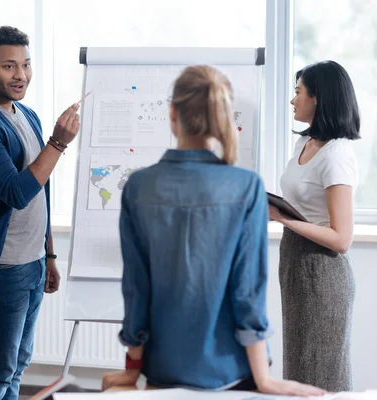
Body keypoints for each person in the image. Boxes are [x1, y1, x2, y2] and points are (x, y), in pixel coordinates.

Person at [101, 65, 326, 397]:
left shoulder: (138, 186)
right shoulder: (246, 186)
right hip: (233, 370)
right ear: (223, 116)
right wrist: (264, 378)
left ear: (173, 112)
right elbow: (247, 291)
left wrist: (132, 369)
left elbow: (136, 287)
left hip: (164, 367)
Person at [0, 26, 80, 400]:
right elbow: (17, 193)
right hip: (0, 265)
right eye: (9, 66)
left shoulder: (26, 114)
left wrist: (49, 253)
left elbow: (42, 190)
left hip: (32, 259)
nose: (21, 75)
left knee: (17, 363)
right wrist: (58, 143)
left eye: (25, 65)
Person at [269, 60, 360, 391]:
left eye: (298, 92)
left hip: (323, 277)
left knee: (323, 378)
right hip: (294, 267)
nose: (293, 100)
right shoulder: (304, 143)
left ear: (319, 98)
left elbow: (341, 239)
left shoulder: (336, 155)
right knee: (298, 371)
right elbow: (303, 205)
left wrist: (282, 217)